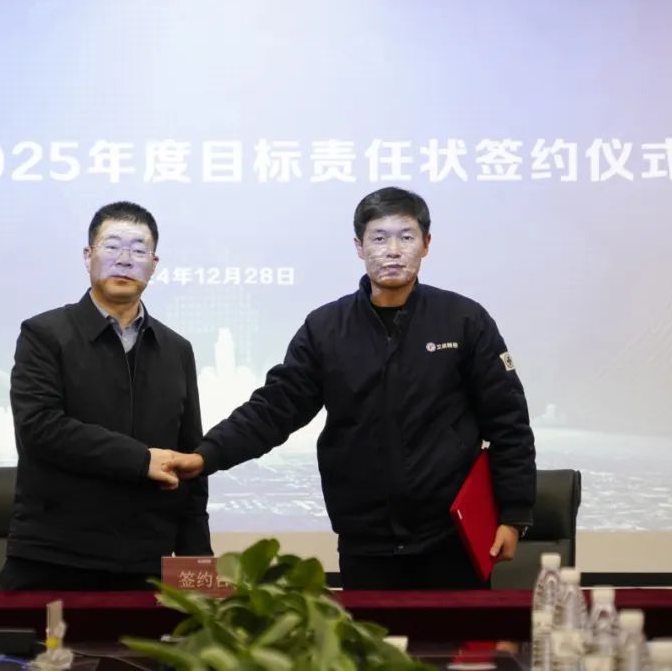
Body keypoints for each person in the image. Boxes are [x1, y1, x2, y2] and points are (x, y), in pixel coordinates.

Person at [169, 187, 535, 590]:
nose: (393, 251)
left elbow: (508, 422)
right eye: (379, 238)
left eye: (406, 237)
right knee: (368, 633)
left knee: (458, 634)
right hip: (366, 540)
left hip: (452, 537)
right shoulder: (326, 327)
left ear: (426, 244)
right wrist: (207, 455)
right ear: (359, 246)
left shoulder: (464, 320)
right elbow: (274, 409)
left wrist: (513, 514)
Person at [0, 201, 211, 591]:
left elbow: (189, 463)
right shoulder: (44, 334)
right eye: (112, 246)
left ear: (154, 264)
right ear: (88, 256)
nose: (124, 260)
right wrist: (141, 460)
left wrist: (199, 572)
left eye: (138, 250)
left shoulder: (177, 349)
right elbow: (40, 428)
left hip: (147, 563)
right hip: (54, 559)